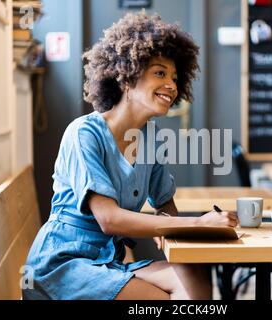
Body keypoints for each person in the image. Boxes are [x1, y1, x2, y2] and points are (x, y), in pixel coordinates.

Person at [22, 11, 238, 300]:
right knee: (157, 300)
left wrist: (175, 232)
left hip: (108, 261)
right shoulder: (84, 133)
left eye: (174, 77)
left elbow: (164, 205)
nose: (172, 86)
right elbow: (109, 220)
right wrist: (199, 223)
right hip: (63, 265)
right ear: (127, 77)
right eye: (159, 73)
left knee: (193, 273)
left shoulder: (151, 137)